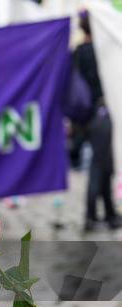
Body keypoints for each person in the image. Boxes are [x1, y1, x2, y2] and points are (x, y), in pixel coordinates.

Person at [75, 12, 120, 231]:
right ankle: (91, 215)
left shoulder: (79, 52)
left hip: (88, 116)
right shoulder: (99, 51)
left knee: (104, 164)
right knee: (99, 165)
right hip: (101, 113)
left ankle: (110, 213)